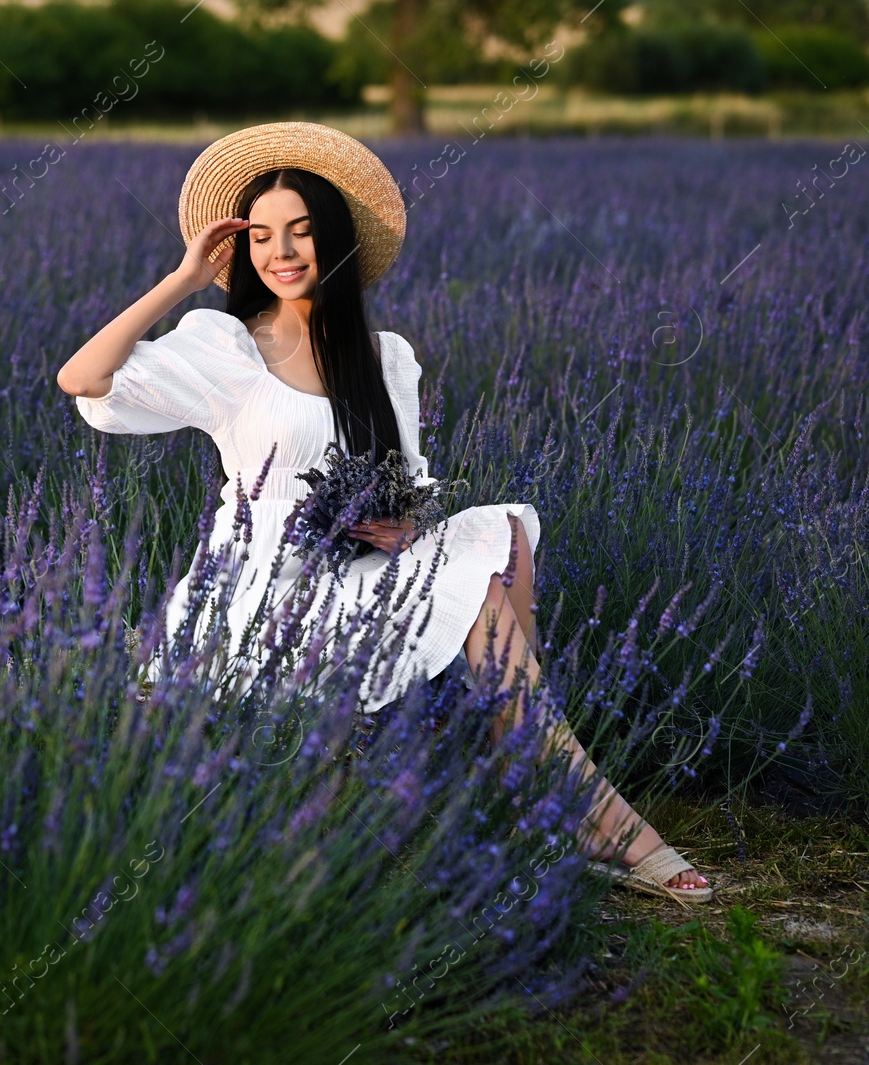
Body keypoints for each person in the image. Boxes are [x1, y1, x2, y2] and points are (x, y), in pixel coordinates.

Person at [56, 122, 711, 903]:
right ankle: (574, 801)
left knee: (500, 535)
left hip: (362, 571)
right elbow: (82, 378)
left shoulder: (387, 358)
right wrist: (183, 278)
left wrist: (407, 528)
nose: (281, 251)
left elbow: (405, 483)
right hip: (265, 591)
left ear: (333, 239)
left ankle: (542, 767)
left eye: (300, 230)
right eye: (260, 236)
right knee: (479, 590)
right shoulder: (226, 347)